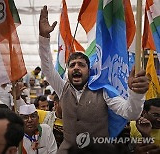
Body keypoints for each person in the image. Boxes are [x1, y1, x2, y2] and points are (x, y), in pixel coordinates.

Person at [39, 5, 149, 153]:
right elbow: (47, 68)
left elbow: (131, 113)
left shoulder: (103, 91)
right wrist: (44, 38)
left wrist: (136, 94)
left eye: (81, 65)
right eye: (72, 65)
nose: (76, 68)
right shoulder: (62, 88)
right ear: (68, 70)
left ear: (89, 71)